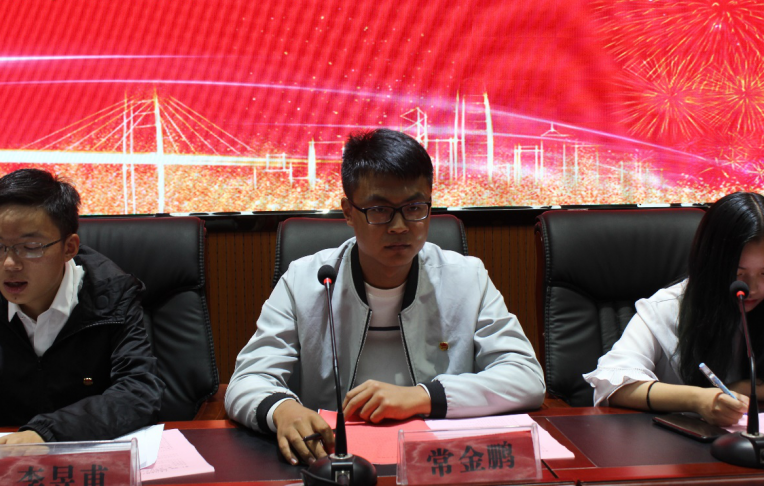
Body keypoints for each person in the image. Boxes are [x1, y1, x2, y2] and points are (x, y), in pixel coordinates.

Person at [226, 128, 545, 465]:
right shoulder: (305, 281)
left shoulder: (466, 278)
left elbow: (525, 376)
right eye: (380, 209)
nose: (399, 226)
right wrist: (282, 409)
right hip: (331, 459)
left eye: (414, 207)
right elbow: (247, 380)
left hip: (435, 459)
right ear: (348, 212)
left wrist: (422, 397)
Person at [0, 169, 165, 473]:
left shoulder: (114, 297)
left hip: (94, 465)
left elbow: (138, 391)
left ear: (69, 248)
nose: (9, 264)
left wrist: (45, 434)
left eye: (30, 247)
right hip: (8, 473)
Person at [584, 192, 764, 426]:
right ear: (711, 263)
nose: (752, 287)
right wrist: (697, 399)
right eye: (738, 273)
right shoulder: (666, 308)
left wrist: (741, 387)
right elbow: (612, 385)